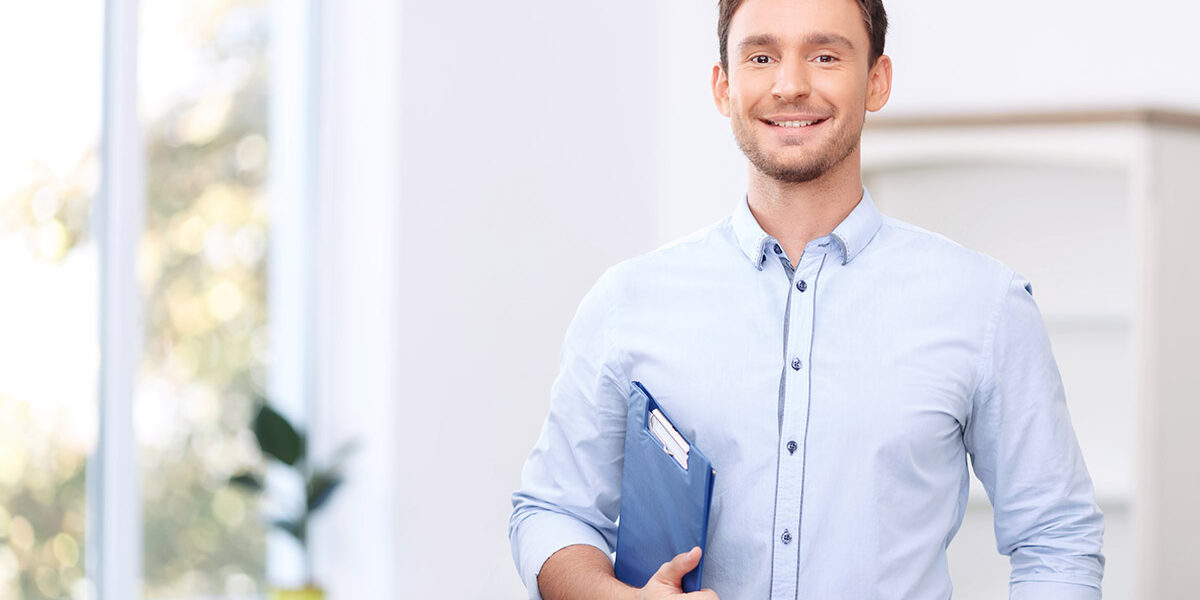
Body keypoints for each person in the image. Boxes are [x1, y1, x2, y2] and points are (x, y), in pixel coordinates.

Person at [509, 0, 1105, 598]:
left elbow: (1056, 539)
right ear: (723, 87)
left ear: (877, 81)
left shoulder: (984, 305)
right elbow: (551, 511)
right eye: (761, 57)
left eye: (824, 56)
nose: (790, 85)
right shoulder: (627, 303)